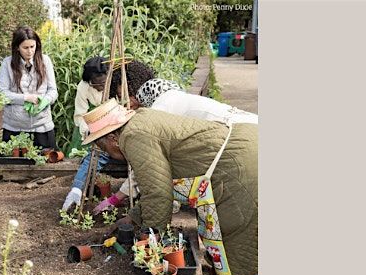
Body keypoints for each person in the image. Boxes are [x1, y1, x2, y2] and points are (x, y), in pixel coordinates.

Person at [81, 100, 258, 275]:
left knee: (240, 258)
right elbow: (159, 183)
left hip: (240, 173)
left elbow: (158, 193)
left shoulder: (133, 136)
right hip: (243, 150)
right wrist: (133, 218)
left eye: (102, 146)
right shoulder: (140, 121)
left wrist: (149, 243)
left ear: (113, 137)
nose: (106, 152)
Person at [61, 60, 259, 213]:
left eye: (125, 95)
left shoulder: (159, 110)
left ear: (133, 87)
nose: (127, 103)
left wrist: (116, 198)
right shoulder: (167, 95)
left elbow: (148, 165)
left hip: (242, 141)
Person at [0, 26, 59, 150]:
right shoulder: (7, 64)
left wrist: (45, 100)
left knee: (47, 164)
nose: (30, 51)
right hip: (14, 128)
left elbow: (53, 90)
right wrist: (26, 98)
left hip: (42, 126)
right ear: (17, 47)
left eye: (32, 47)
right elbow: (2, 94)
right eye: (25, 48)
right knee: (15, 167)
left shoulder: (45, 61)